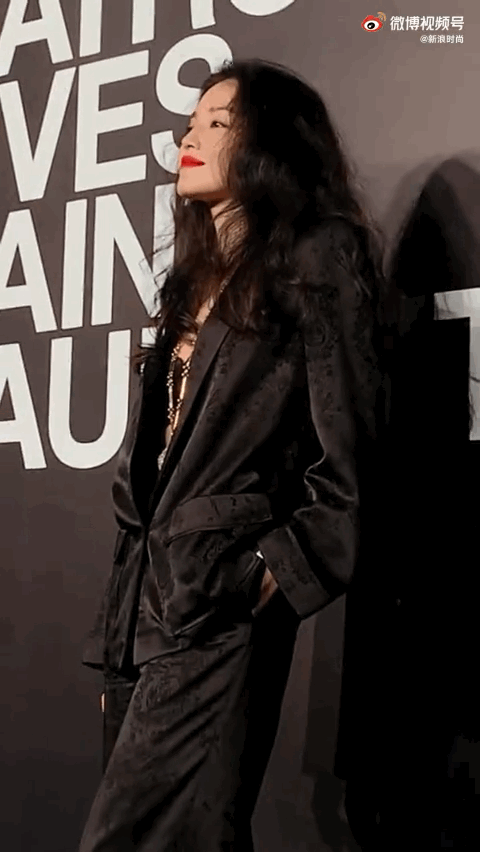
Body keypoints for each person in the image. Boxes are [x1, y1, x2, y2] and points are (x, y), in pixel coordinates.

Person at [79, 58, 384, 852]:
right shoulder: (191, 284)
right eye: (191, 122)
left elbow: (349, 460)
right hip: (142, 613)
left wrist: (259, 577)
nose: (192, 135)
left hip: (217, 610)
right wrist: (128, 627)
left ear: (269, 147)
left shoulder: (319, 255)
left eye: (219, 123)